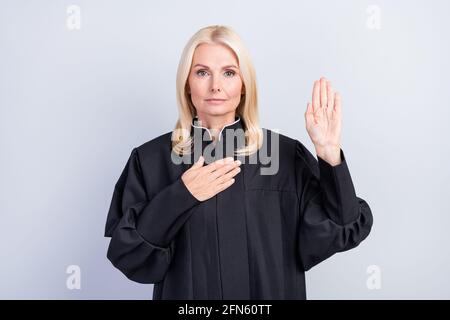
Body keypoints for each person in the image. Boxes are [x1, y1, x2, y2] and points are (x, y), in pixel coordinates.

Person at [104, 25, 373, 299]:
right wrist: (181, 195)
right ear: (187, 83)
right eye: (202, 72)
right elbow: (129, 253)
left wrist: (329, 155)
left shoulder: (284, 155)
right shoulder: (152, 160)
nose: (215, 85)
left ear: (244, 84)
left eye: (229, 72)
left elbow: (342, 227)